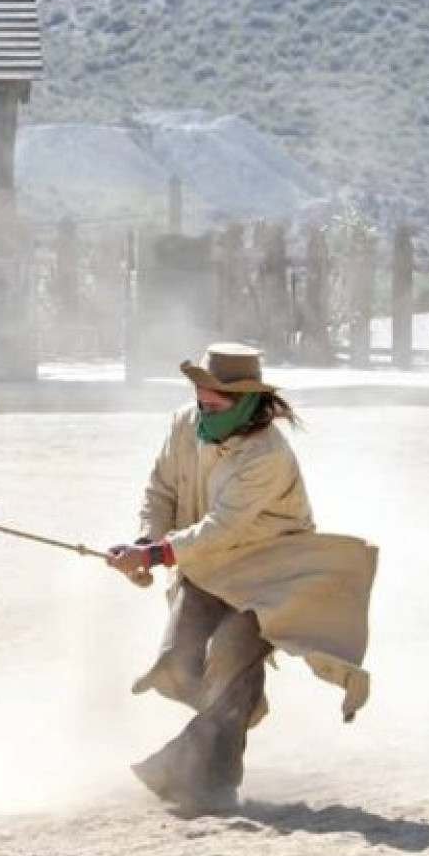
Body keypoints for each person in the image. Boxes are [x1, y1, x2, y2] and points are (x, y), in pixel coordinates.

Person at [107, 343, 377, 814]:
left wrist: (154, 554)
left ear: (247, 402)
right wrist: (147, 542)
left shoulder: (267, 455)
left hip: (271, 574)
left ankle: (208, 782)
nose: (203, 413)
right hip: (204, 566)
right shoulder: (183, 425)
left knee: (232, 659)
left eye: (214, 406)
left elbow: (224, 527)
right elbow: (161, 488)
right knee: (178, 662)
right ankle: (233, 710)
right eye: (200, 402)